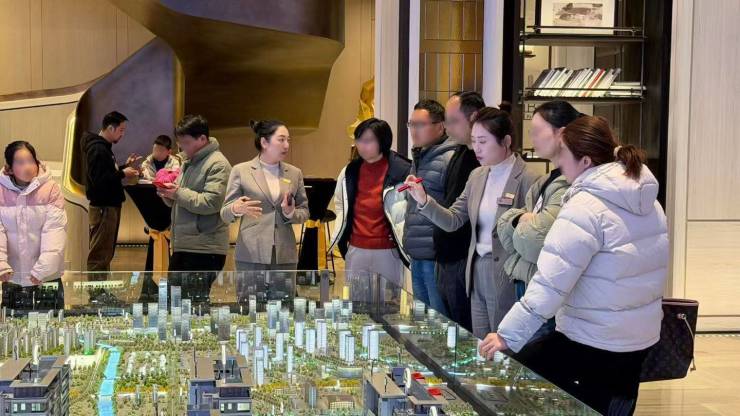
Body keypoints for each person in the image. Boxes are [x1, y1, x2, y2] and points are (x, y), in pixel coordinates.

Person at [479, 115, 668, 415]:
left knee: (522, 385)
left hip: (593, 338)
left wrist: (506, 335)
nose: (559, 162)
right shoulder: (648, 200)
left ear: (585, 160)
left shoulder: (585, 207)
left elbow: (551, 282)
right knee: (616, 405)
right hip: (639, 336)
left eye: (564, 153)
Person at [403, 107, 540, 338]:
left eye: (483, 141)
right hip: (475, 270)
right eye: (474, 140)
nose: (477, 148)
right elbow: (454, 219)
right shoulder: (477, 175)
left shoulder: (529, 178)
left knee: (504, 344)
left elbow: (533, 236)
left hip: (508, 273)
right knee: (480, 341)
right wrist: (424, 200)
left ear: (506, 141)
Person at [496, 101, 582, 340]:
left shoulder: (569, 184)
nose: (531, 138)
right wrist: (520, 219)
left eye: (537, 131)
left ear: (561, 133)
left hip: (546, 294)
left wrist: (519, 221)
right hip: (530, 284)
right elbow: (504, 225)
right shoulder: (546, 180)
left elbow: (536, 243)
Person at [328, 118, 411, 289]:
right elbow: (340, 203)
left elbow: (410, 208)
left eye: (368, 140)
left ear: (382, 141)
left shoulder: (401, 170)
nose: (361, 145)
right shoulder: (350, 171)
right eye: (359, 140)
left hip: (388, 250)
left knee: (389, 301)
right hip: (356, 248)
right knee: (356, 301)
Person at [158, 115, 231, 301]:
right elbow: (180, 199)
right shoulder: (188, 162)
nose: (182, 148)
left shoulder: (218, 164)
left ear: (202, 139)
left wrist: (177, 193)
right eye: (180, 143)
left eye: (186, 143)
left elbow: (211, 203)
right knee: (175, 303)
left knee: (192, 305)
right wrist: (167, 194)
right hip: (184, 245)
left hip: (205, 249)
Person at [221, 120, 309, 273]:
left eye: (288, 140)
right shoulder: (241, 171)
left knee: (285, 290)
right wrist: (235, 208)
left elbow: (305, 212)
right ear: (264, 142)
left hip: (284, 254)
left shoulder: (295, 173)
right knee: (250, 290)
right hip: (251, 253)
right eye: (281, 139)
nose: (286, 145)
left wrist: (290, 213)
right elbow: (224, 214)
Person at [403, 99, 463, 316]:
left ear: (440, 126)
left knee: (439, 319)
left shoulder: (450, 157)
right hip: (417, 253)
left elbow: (453, 209)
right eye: (411, 124)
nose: (414, 130)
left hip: (436, 255)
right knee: (422, 319)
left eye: (420, 124)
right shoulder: (420, 156)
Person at [432, 91, 484, 331]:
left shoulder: (479, 161)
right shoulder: (460, 152)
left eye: (453, 121)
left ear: (473, 118)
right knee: (449, 326)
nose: (448, 128)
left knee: (464, 329)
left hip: (464, 256)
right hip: (446, 253)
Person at [0, 141, 67, 308]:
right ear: (9, 168)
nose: (28, 167)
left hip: (46, 277)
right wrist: (1, 265)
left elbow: (54, 231)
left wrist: (43, 270)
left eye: (31, 160)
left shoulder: (51, 189)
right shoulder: (1, 191)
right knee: (14, 322)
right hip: (13, 276)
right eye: (20, 162)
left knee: (51, 321)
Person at [82, 111, 140, 272]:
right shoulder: (98, 149)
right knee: (100, 254)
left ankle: (102, 286)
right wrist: (123, 173)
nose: (123, 134)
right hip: (104, 207)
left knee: (105, 252)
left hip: (107, 207)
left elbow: (105, 172)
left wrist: (124, 167)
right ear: (110, 128)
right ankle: (97, 288)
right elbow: (99, 180)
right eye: (121, 130)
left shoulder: (103, 147)